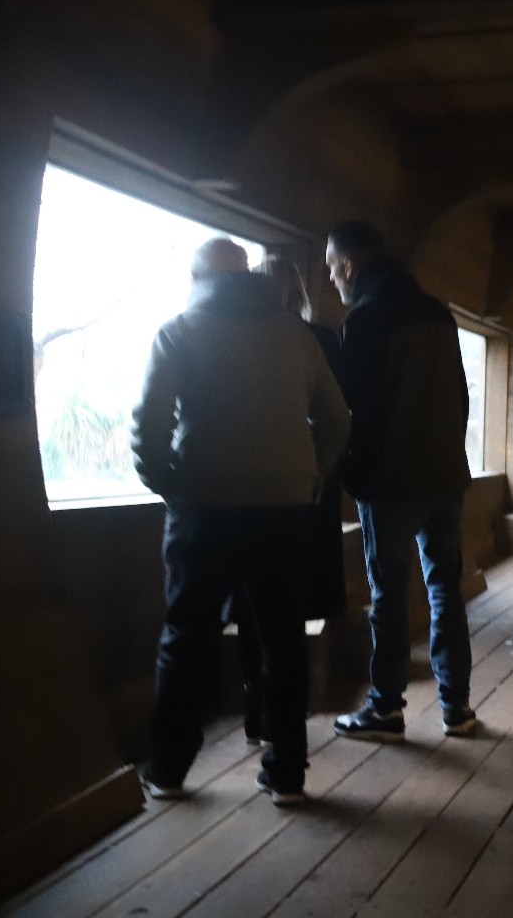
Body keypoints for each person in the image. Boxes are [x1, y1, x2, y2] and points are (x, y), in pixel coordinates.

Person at [132, 238, 350, 806]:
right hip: (285, 509)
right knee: (283, 639)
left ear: (197, 276)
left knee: (186, 635)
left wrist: (171, 484)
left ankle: (168, 769)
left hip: (203, 507)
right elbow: (336, 418)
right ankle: (287, 774)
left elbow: (149, 425)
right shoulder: (295, 335)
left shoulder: (179, 331)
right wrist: (310, 476)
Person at [324, 220, 477, 741]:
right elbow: (461, 396)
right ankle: (457, 707)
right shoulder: (438, 313)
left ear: (349, 265)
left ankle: (386, 708)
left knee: (389, 596)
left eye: (331, 268)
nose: (332, 280)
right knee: (445, 591)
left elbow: (355, 410)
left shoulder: (364, 320)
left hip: (389, 481)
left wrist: (350, 473)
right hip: (446, 476)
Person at [229, 255, 348, 747]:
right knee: (289, 606)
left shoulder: (237, 339)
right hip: (306, 487)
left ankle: (255, 711)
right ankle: (286, 719)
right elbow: (338, 414)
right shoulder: (319, 339)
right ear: (299, 293)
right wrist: (319, 467)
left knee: (249, 604)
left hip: (245, 492)